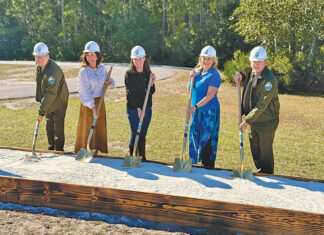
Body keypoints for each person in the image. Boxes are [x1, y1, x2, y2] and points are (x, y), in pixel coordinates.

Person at [233, 46, 280, 174]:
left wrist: (247, 120)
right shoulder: (252, 72)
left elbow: (261, 105)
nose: (256, 64)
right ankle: (260, 171)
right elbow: (246, 74)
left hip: (266, 121)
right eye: (253, 61)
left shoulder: (270, 80)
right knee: (255, 148)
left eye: (259, 62)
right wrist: (240, 74)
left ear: (265, 62)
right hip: (253, 120)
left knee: (265, 152)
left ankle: (267, 174)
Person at [74, 41, 115, 155]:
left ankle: (96, 151)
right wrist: (92, 108)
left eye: (92, 55)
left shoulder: (102, 69)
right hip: (88, 105)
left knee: (98, 128)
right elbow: (85, 92)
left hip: (100, 102)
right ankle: (86, 150)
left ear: (97, 55)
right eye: (88, 55)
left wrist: (109, 82)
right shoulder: (84, 72)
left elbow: (110, 81)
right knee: (87, 128)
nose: (90, 57)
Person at [187, 46, 222, 169]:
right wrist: (191, 77)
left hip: (209, 111)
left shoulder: (214, 75)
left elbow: (210, 96)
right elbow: (191, 90)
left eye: (209, 59)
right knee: (195, 135)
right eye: (204, 58)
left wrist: (195, 107)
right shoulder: (197, 73)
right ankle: (195, 162)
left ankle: (207, 164)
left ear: (213, 60)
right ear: (200, 59)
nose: (206, 61)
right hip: (196, 110)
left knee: (207, 139)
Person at [33, 42, 69, 151]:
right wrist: (41, 102)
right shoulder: (39, 67)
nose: (39, 59)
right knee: (49, 125)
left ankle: (58, 150)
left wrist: (41, 112)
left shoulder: (53, 72)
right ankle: (51, 148)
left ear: (47, 56)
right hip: (48, 101)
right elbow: (40, 85)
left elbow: (50, 93)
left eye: (42, 57)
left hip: (59, 101)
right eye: (37, 57)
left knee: (57, 126)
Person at [125, 45, 156, 161]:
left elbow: (151, 92)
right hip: (134, 109)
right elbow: (131, 94)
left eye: (140, 58)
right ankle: (133, 157)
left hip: (147, 108)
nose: (137, 61)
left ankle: (142, 158)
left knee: (142, 133)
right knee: (135, 132)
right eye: (135, 59)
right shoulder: (129, 74)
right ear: (132, 60)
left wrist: (152, 83)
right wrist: (138, 108)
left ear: (144, 58)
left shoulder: (148, 73)